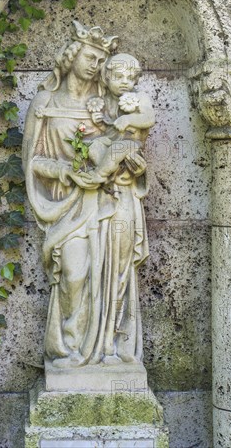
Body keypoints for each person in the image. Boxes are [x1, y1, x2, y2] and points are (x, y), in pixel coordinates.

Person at [22, 21, 150, 369]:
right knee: (75, 275)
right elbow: (33, 162)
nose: (94, 65)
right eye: (90, 57)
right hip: (70, 203)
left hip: (114, 199)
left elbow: (133, 145)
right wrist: (67, 172)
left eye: (100, 60)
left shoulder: (107, 106)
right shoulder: (46, 102)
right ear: (72, 55)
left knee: (115, 275)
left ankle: (109, 348)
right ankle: (69, 349)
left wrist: (133, 166)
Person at [82, 53, 155, 185]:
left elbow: (149, 118)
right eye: (119, 77)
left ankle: (100, 174)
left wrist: (129, 119)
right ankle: (111, 173)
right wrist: (100, 124)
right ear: (107, 78)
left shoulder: (140, 97)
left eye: (130, 78)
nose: (125, 82)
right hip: (111, 140)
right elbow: (112, 128)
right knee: (92, 146)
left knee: (116, 149)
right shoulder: (106, 100)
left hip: (132, 144)